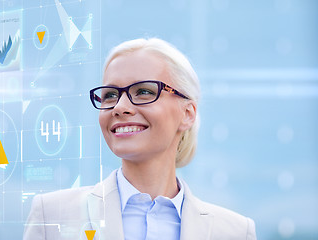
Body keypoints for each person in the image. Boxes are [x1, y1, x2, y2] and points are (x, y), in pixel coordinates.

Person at [23, 38, 257, 240]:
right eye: (110, 95)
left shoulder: (235, 232)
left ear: (187, 114)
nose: (120, 107)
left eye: (144, 91)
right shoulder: (51, 216)